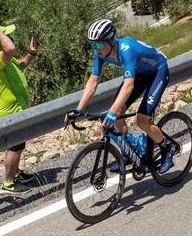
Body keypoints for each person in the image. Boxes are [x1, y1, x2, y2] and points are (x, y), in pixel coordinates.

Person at [70, 19, 179, 173]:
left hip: (157, 72)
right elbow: (93, 81)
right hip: (139, 74)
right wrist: (78, 108)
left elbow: (128, 86)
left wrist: (112, 112)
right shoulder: (100, 54)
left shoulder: (127, 50)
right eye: (93, 45)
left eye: (99, 44)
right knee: (118, 116)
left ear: (111, 40)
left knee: (141, 120)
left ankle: (168, 147)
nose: (96, 49)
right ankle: (129, 151)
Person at [0, 22, 38, 195]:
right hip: (9, 111)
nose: (9, 37)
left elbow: (19, 64)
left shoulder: (3, 58)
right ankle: (8, 184)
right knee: (16, 146)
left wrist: (31, 53)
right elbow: (11, 49)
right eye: (5, 35)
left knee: (17, 144)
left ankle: (15, 173)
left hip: (15, 108)